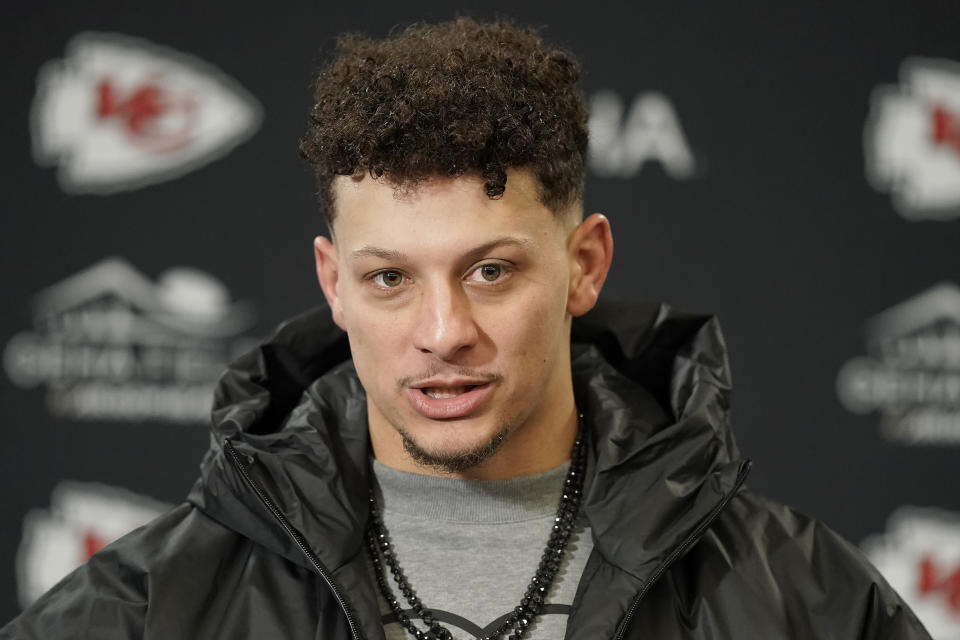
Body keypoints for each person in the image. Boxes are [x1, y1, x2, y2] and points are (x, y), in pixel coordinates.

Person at [1, 17, 931, 640]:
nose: (443, 331)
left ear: (586, 265)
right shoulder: (148, 607)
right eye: (390, 278)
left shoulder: (804, 598)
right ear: (333, 282)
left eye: (491, 271)